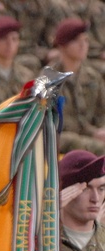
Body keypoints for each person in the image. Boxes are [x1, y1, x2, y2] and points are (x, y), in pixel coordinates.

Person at [55, 19, 105, 156]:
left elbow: (102, 112)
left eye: (86, 40)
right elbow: (60, 122)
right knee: (78, 142)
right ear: (63, 46)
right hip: (59, 137)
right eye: (76, 41)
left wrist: (101, 130)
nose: (83, 45)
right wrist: (93, 132)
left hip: (91, 136)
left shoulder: (93, 76)